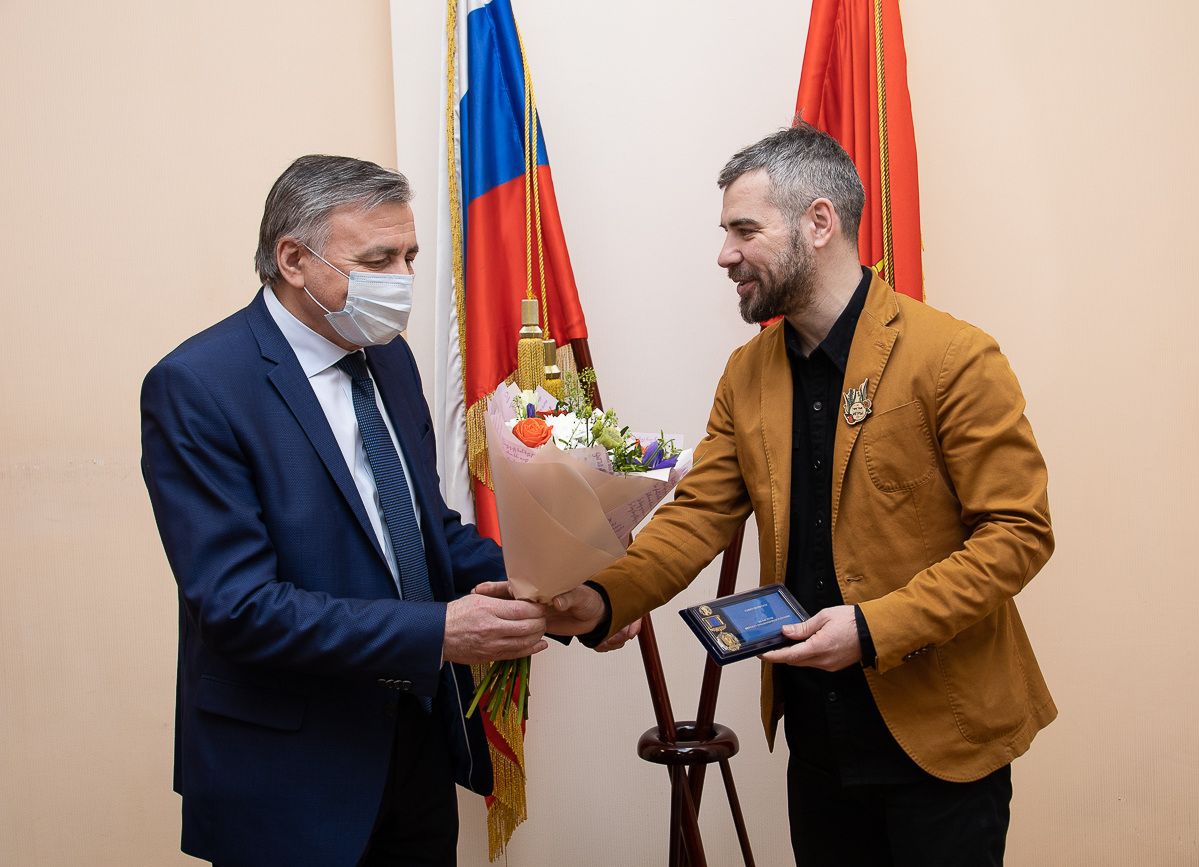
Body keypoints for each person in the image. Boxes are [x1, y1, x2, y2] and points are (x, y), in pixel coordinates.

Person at [547, 124, 1057, 866]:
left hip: (943, 747)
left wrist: (872, 628)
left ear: (819, 223)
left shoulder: (954, 357)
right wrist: (600, 599)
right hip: (818, 748)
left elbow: (1017, 534)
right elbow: (697, 518)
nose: (725, 254)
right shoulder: (746, 373)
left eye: (744, 230)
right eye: (726, 233)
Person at [140, 155, 547, 867]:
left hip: (415, 748)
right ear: (293, 260)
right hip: (290, 773)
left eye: (409, 257)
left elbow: (427, 535)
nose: (402, 280)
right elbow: (238, 607)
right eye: (378, 259)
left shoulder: (388, 358)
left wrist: (556, 581)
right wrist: (438, 631)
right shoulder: (198, 386)